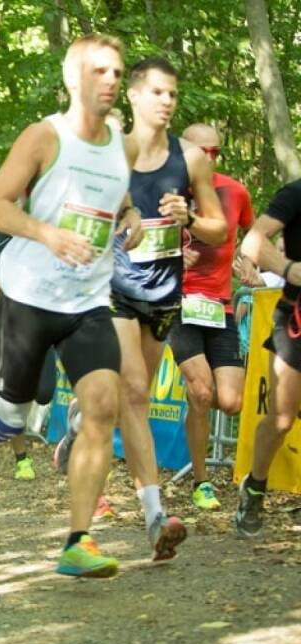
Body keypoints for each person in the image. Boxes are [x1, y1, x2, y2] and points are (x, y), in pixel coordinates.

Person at [0, 34, 143, 577]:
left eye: (117, 73)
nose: (111, 81)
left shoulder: (123, 146)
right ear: (72, 77)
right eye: (99, 71)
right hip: (29, 300)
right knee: (9, 420)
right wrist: (47, 234)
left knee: (102, 406)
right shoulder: (44, 136)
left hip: (88, 302)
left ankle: (78, 541)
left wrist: (129, 218)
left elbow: (121, 203)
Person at [104, 57, 226, 553]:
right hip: (111, 287)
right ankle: (155, 516)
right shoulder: (108, 151)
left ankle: (81, 425)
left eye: (173, 94)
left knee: (135, 395)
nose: (167, 101)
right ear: (133, 96)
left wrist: (190, 217)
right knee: (133, 390)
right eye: (157, 92)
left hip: (163, 293)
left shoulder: (192, 158)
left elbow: (221, 229)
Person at [166, 123, 254, 510]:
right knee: (202, 393)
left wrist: (247, 263)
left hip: (221, 306)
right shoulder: (165, 192)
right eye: (202, 151)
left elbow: (253, 236)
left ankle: (196, 404)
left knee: (231, 402)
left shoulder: (235, 191)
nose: (209, 158)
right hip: (178, 304)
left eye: (215, 151)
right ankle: (201, 482)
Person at [0, 226, 58, 480]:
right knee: (17, 396)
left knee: (44, 393)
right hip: (7, 327)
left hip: (42, 325)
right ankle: (22, 460)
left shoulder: (47, 240)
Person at [238, 178, 301, 536]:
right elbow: (253, 240)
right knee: (281, 418)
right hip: (297, 318)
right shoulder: (295, 193)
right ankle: (255, 486)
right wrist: (289, 269)